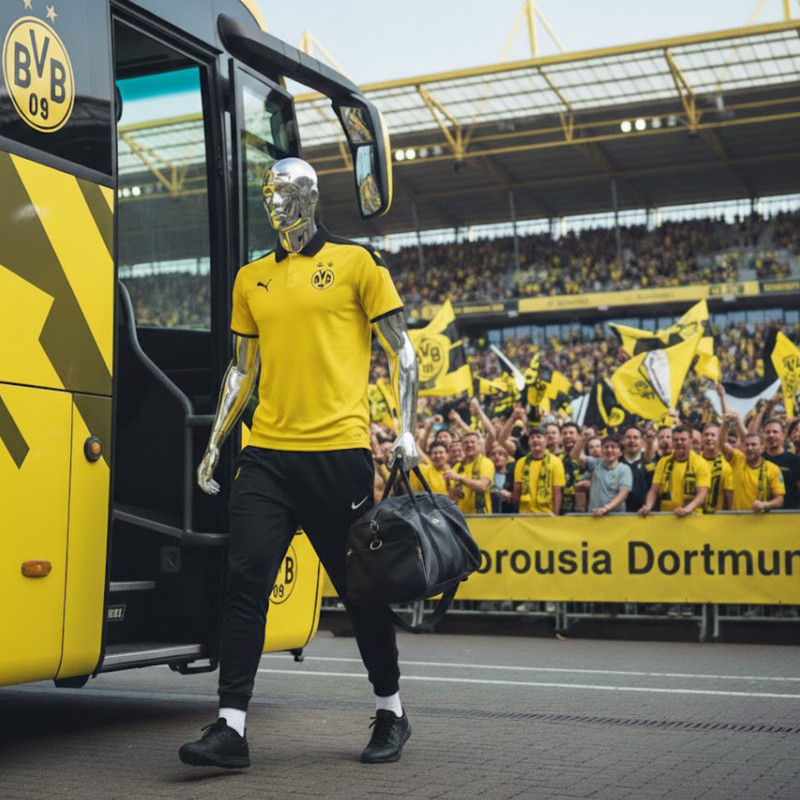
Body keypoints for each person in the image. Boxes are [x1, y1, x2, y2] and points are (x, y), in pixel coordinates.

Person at [180, 158, 418, 769]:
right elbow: (242, 369)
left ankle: (391, 710)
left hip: (337, 454)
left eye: (284, 191)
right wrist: (215, 443)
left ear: (311, 197)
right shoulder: (251, 277)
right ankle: (230, 727)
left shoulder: (358, 263)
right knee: (245, 584)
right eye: (267, 192)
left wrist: (407, 430)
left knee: (361, 591)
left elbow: (404, 351)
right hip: (266, 456)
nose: (274, 202)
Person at [639, 425, 710, 517]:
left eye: (683, 439)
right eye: (675, 440)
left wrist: (686, 510)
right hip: (666, 517)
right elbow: (654, 490)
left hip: (692, 517)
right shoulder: (663, 462)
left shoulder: (701, 463)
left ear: (691, 440)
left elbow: (702, 493)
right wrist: (648, 506)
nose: (679, 442)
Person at [720, 414, 785, 512]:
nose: (750, 448)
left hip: (761, 519)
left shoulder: (773, 469)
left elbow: (779, 500)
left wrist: (765, 505)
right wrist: (725, 424)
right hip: (738, 519)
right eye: (747, 445)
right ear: (743, 447)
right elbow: (721, 445)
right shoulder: (737, 460)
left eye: (753, 445)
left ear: (762, 448)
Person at [571, 432, 632, 515]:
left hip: (616, 517)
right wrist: (583, 438)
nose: (609, 450)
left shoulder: (624, 469)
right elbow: (574, 456)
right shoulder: (595, 464)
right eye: (606, 447)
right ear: (602, 450)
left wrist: (606, 509)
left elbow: (623, 494)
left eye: (613, 447)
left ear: (621, 452)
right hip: (594, 516)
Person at [512, 426, 565, 515]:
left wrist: (555, 516)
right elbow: (517, 489)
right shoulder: (521, 462)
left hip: (547, 514)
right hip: (525, 514)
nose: (535, 440)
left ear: (546, 442)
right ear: (529, 442)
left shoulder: (556, 462)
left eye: (539, 437)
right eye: (532, 438)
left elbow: (557, 492)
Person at [444, 430, 494, 514]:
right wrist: (447, 483)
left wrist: (460, 478)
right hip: (461, 515)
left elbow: (482, 486)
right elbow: (452, 496)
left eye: (472, 442)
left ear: (479, 445)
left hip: (480, 516)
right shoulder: (457, 467)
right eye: (466, 443)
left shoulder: (486, 462)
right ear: (462, 446)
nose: (469, 445)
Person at [762, 418, 800, 510]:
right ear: (762, 435)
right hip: (760, 514)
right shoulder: (758, 459)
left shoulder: (795, 460)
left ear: (783, 435)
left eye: (775, 432)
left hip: (788, 514)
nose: (771, 435)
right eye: (767, 432)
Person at [699, 423, 733, 513]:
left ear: (719, 439)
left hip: (716, 516)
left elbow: (729, 497)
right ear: (701, 438)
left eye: (713, 435)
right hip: (695, 515)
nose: (709, 438)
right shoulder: (694, 462)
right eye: (706, 435)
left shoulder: (726, 466)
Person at [620, 425, 653, 512]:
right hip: (619, 515)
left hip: (644, 514)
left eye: (635, 437)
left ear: (642, 441)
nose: (632, 441)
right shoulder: (616, 463)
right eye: (628, 437)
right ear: (622, 441)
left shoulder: (649, 464)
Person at [559, 421, 583, 514]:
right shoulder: (556, 459)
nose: (568, 436)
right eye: (564, 433)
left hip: (582, 510)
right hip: (561, 507)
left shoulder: (588, 458)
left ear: (579, 436)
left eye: (571, 433)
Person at [489, 442, 517, 513]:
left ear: (507, 458)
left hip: (509, 513)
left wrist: (511, 495)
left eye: (500, 454)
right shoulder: (486, 476)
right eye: (493, 454)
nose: (496, 457)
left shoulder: (513, 476)